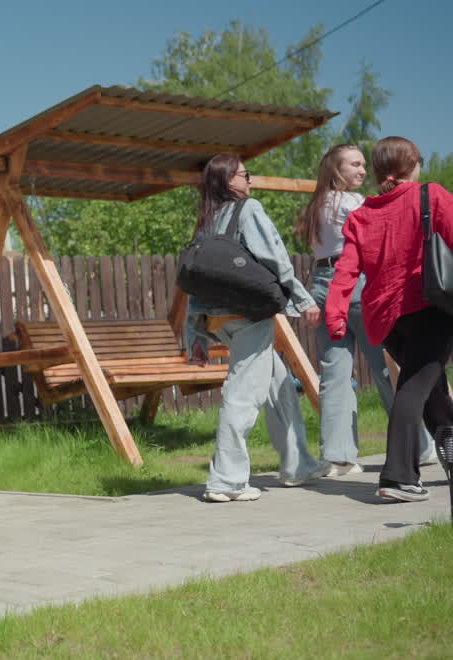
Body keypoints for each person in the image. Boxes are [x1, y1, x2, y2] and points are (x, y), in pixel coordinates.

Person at [185, 154, 330, 503]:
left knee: (278, 384)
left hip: (218, 319)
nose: (250, 181)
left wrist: (193, 336)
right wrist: (304, 299)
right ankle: (226, 480)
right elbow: (274, 257)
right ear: (229, 182)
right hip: (248, 316)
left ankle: (299, 464)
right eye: (245, 175)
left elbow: (195, 278)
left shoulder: (206, 221)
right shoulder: (247, 209)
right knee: (242, 394)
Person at [325, 136, 453, 502]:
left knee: (433, 393)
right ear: (412, 163)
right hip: (430, 309)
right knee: (414, 386)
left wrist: (336, 317)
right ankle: (398, 477)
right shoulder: (430, 195)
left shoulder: (361, 215)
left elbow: (345, 273)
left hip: (385, 321)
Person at [294, 144, 434, 477]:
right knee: (387, 365)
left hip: (321, 283)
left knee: (334, 371)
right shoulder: (354, 202)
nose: (361, 170)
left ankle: (339, 456)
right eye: (354, 165)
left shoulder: (314, 207)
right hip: (353, 281)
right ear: (335, 170)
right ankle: (418, 444)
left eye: (362, 164)